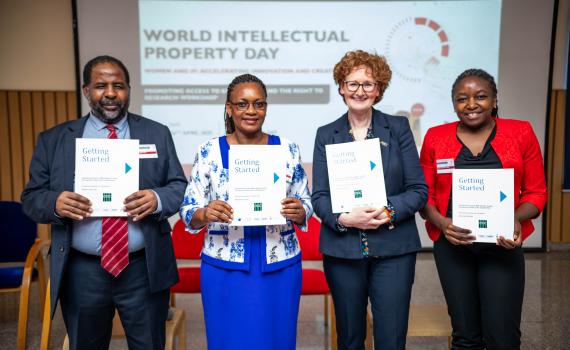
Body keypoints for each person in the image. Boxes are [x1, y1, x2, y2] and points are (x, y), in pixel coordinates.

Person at [21, 55, 187, 350]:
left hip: (142, 268)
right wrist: (55, 203)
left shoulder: (156, 133)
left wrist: (158, 198)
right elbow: (31, 198)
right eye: (101, 86)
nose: (110, 93)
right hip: (82, 271)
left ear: (129, 90)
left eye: (118, 85)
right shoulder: (55, 139)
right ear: (86, 90)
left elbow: (178, 186)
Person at [179, 74, 313, 350]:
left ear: (266, 107)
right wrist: (206, 213)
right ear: (229, 108)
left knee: (278, 340)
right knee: (227, 341)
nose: (251, 111)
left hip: (280, 265)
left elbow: (306, 202)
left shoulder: (287, 149)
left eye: (258, 104)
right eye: (242, 104)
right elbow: (188, 210)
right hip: (223, 267)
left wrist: (299, 211)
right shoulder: (209, 152)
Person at [419, 68, 548, 349]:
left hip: (503, 245)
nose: (471, 104)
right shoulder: (435, 137)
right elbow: (424, 196)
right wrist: (442, 223)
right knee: (465, 336)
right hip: (452, 246)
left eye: (481, 96)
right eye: (462, 99)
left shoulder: (520, 131)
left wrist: (513, 219)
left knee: (503, 337)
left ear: (494, 99)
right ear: (454, 103)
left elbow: (537, 193)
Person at [311, 50, 428, 350]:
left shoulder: (399, 128)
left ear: (379, 90)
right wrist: (343, 218)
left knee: (391, 338)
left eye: (368, 84)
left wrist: (388, 211)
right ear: (340, 87)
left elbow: (418, 190)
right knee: (350, 338)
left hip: (394, 249)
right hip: (343, 251)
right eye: (352, 83)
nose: (359, 91)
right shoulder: (326, 134)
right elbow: (320, 196)